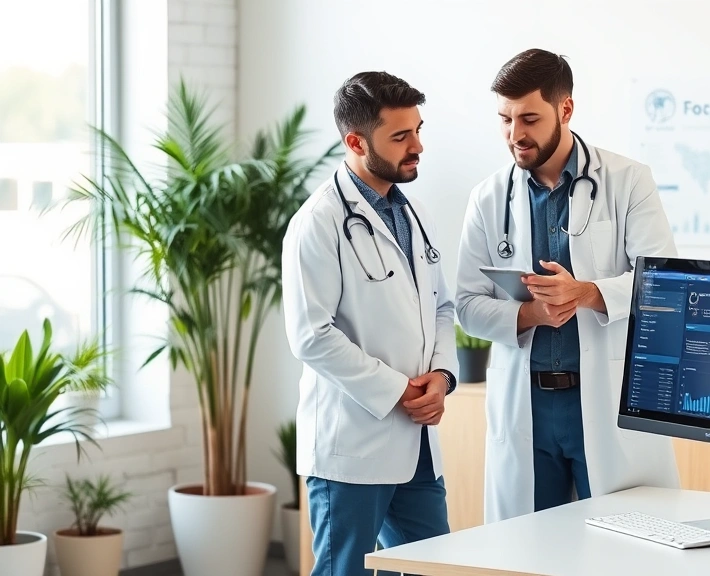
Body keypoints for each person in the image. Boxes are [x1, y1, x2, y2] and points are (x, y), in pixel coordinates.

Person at [455, 48, 681, 524]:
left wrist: (587, 293)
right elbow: (468, 305)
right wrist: (529, 314)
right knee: (530, 548)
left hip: (603, 400)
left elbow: (664, 282)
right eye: (505, 119)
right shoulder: (488, 197)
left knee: (620, 543)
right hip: (528, 406)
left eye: (529, 119)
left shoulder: (627, 181)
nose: (515, 135)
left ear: (565, 109)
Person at [282, 71, 457, 576]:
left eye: (417, 130)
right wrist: (399, 390)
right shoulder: (317, 222)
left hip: (417, 445)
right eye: (400, 136)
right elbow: (311, 336)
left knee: (436, 569)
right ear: (356, 142)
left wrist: (442, 377)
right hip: (352, 448)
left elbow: (442, 308)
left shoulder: (415, 213)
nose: (417, 146)